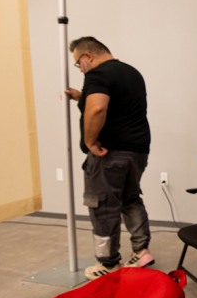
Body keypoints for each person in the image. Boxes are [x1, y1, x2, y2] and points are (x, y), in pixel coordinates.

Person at [65, 36, 155, 280]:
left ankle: (108, 263)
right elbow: (115, 103)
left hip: (110, 153)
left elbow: (98, 108)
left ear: (88, 57)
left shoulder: (97, 74)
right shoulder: (131, 72)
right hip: (137, 151)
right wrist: (80, 96)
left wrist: (90, 142)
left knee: (102, 206)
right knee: (130, 198)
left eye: (78, 63)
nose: (80, 68)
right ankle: (141, 250)